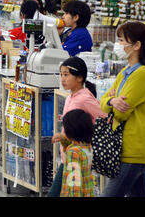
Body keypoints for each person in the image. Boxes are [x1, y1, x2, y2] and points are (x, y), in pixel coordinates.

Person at [100, 22, 145, 197]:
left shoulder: (143, 74)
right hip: (124, 147)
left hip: (132, 150)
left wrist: (111, 102)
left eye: (122, 40)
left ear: (137, 45)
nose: (118, 45)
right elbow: (103, 102)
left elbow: (121, 113)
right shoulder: (125, 72)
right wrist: (112, 100)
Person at [48, 57, 106, 197]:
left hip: (77, 154)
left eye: (66, 75)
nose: (63, 79)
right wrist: (63, 137)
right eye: (61, 74)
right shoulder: (70, 97)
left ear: (80, 77)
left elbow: (104, 116)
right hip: (68, 152)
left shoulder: (85, 98)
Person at [58, 109, 96, 197]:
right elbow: (71, 145)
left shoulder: (73, 153)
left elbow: (74, 182)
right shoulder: (87, 147)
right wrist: (63, 139)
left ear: (71, 130)